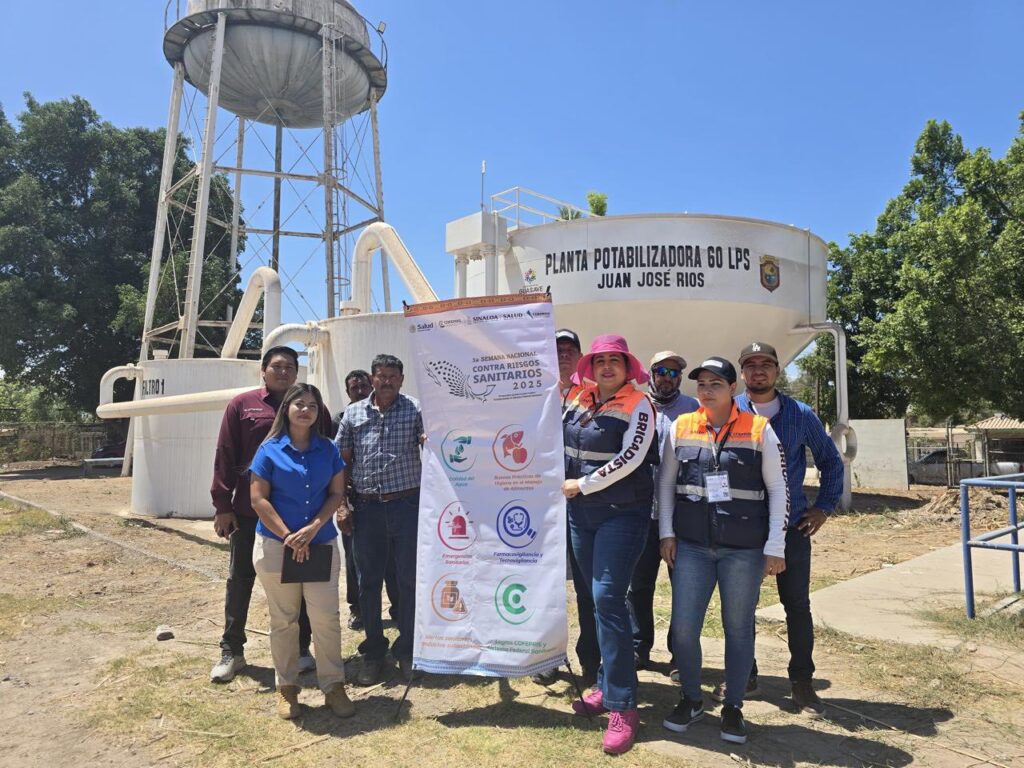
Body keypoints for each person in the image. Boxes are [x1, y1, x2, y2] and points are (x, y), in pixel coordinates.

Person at [658, 356, 789, 745]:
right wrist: (667, 532)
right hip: (693, 547)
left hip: (743, 550)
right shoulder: (682, 427)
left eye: (716, 383)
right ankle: (692, 698)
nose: (707, 389)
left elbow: (779, 489)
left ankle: (733, 707)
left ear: (733, 389)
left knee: (737, 629)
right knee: (683, 627)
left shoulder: (759, 429)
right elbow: (666, 483)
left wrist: (775, 546)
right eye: (701, 384)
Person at [729, 341, 843, 715]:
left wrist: (824, 507)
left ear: (778, 370)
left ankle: (802, 682)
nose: (758, 370)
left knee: (796, 604)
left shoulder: (800, 414)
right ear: (742, 373)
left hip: (791, 528)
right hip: (744, 529)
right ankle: (745, 674)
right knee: (740, 606)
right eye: (751, 365)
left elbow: (830, 460)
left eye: (766, 364)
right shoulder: (730, 412)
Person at [563, 335, 659, 755]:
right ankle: (604, 685)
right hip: (581, 516)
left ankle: (623, 706)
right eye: (598, 360)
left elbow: (632, 457)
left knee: (607, 599)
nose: (605, 367)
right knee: (593, 599)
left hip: (622, 514)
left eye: (613, 361)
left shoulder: (640, 405)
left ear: (626, 367)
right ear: (589, 366)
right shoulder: (577, 400)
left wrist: (581, 485)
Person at [209, 346, 320, 683]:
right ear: (263, 370)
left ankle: (301, 649)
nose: (283, 372)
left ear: (297, 372)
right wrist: (222, 505)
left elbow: (327, 449)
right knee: (240, 581)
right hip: (249, 511)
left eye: (289, 367)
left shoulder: (311, 405)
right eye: (277, 366)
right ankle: (232, 650)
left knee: (300, 584)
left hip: (297, 517)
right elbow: (225, 453)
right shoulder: (242, 405)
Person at [250, 383, 354, 720]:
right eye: (299, 403)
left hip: (320, 544)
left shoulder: (328, 449)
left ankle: (333, 686)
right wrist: (289, 535)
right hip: (277, 546)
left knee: (325, 618)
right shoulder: (269, 450)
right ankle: (287, 689)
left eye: (312, 404)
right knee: (284, 621)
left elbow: (336, 493)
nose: (305, 410)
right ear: (287, 410)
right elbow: (258, 499)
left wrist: (311, 529)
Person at [335, 354, 423, 684]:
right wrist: (342, 505)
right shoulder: (353, 414)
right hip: (367, 509)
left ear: (401, 380)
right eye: (381, 375)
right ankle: (373, 651)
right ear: (372, 379)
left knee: (407, 581)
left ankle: (407, 650)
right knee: (368, 583)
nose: (386, 381)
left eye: (393, 376)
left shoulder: (415, 409)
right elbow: (341, 463)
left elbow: (436, 442)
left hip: (407, 507)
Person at [533, 329, 600, 688]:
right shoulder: (533, 392)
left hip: (580, 503)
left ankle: (590, 661)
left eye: (569, 349)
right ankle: (546, 657)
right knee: (545, 585)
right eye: (555, 348)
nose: (562, 354)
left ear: (579, 355)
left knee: (586, 589)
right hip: (538, 504)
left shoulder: (591, 395)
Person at [627, 351, 698, 671]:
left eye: (674, 372)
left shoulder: (694, 410)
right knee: (637, 585)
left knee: (682, 588)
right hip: (640, 513)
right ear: (651, 374)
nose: (668, 377)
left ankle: (679, 653)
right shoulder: (635, 406)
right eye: (662, 371)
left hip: (681, 516)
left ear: (680, 378)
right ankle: (638, 647)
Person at [334, 369, 400, 632]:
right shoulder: (341, 418)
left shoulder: (391, 411)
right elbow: (337, 460)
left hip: (388, 502)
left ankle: (398, 607)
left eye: (363, 385)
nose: (360, 390)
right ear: (348, 391)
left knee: (393, 560)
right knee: (356, 562)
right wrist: (341, 502)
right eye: (354, 387)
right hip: (354, 502)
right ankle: (358, 610)